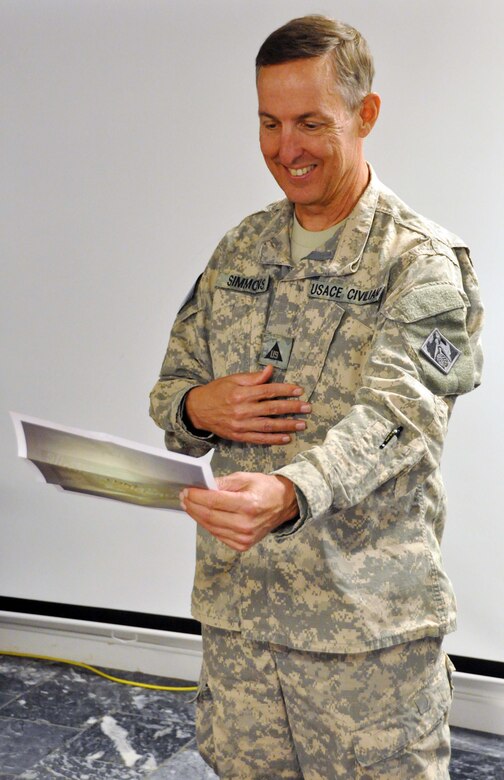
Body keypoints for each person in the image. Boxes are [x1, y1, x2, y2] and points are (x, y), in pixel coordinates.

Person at [149, 15, 483, 779]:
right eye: (268, 123)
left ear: (365, 115)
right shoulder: (241, 249)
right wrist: (199, 406)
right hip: (240, 634)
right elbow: (170, 392)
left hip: (364, 651)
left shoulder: (420, 263)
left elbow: (403, 419)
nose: (285, 149)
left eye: (309, 123)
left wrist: (294, 490)